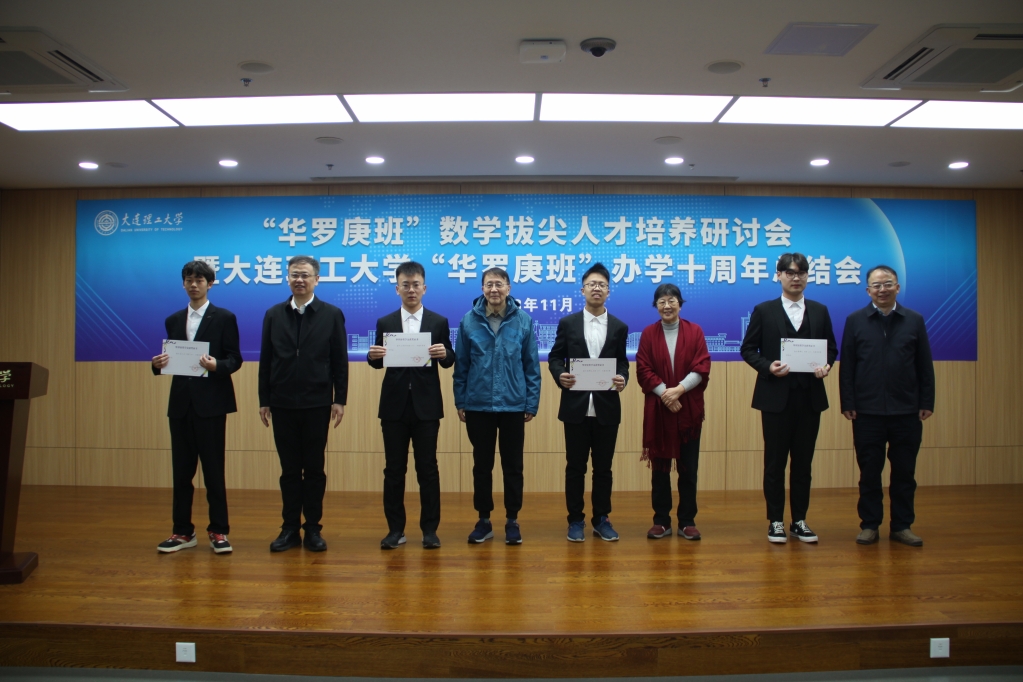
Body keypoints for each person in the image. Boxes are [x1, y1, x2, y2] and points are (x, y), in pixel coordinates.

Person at [740, 253, 837, 544]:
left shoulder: (820, 310)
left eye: (801, 273)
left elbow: (831, 349)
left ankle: (799, 520)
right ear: (779, 275)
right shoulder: (764, 310)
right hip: (775, 399)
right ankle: (775, 521)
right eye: (790, 273)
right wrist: (768, 367)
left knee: (803, 463)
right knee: (775, 463)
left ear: (807, 276)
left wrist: (826, 366)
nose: (796, 278)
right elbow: (748, 349)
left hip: (809, 398)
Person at [840, 265, 934, 547]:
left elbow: (924, 365)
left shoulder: (914, 320)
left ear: (897, 287)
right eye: (876, 285)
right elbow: (848, 367)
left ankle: (902, 526)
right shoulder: (855, 320)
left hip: (906, 411)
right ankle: (870, 525)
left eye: (887, 284)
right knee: (869, 473)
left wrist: (926, 402)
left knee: (904, 473)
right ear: (868, 290)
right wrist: (848, 403)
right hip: (867, 412)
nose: (882, 290)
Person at [152, 261, 243, 554]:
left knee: (214, 472)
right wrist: (157, 364)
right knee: (181, 473)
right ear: (183, 284)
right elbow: (171, 360)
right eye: (189, 280)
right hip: (181, 404)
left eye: (200, 280)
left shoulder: (224, 317)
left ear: (210, 284)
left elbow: (235, 359)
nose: (194, 284)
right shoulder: (173, 320)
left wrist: (217, 365)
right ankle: (182, 531)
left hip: (212, 404)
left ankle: (219, 530)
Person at [258, 255, 348, 553]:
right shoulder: (273, 314)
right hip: (282, 403)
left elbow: (339, 361)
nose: (299, 279)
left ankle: (312, 528)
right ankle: (289, 528)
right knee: (289, 470)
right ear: (287, 278)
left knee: (314, 469)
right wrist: (264, 399)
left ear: (316, 280)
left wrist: (339, 399)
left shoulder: (331, 314)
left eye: (305, 275)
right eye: (294, 274)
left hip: (317, 403)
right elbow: (266, 360)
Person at [367, 261, 454, 550]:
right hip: (394, 406)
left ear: (424, 288)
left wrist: (444, 353)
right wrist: (372, 356)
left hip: (426, 407)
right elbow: (377, 362)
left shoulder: (438, 322)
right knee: (394, 470)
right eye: (405, 285)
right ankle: (395, 530)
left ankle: (430, 530)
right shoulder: (386, 322)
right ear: (397, 289)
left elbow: (449, 360)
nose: (411, 290)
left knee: (428, 469)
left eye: (416, 284)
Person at [453, 267, 541, 545]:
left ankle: (512, 520)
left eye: (499, 284)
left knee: (513, 466)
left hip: (513, 405)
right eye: (489, 284)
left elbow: (531, 365)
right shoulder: (468, 321)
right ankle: (484, 520)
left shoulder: (523, 321)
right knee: (482, 465)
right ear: (482, 288)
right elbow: (461, 366)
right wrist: (460, 400)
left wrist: (531, 402)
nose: (494, 289)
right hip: (478, 405)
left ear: (508, 288)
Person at [548, 263, 629, 542]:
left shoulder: (619, 326)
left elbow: (622, 362)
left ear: (608, 291)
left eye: (602, 285)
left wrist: (622, 378)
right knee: (575, 467)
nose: (597, 288)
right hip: (575, 407)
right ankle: (575, 520)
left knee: (603, 469)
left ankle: (601, 518)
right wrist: (560, 374)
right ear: (582, 290)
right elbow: (555, 357)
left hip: (607, 408)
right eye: (592, 284)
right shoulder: (568, 323)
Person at [636, 284, 711, 541]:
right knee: (660, 469)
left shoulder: (695, 331)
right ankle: (661, 521)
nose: (667, 306)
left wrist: (678, 390)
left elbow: (702, 366)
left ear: (680, 303)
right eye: (662, 301)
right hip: (659, 410)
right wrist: (665, 395)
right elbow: (643, 369)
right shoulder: (648, 334)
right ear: (655, 305)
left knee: (688, 468)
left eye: (672, 300)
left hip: (688, 410)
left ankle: (687, 521)